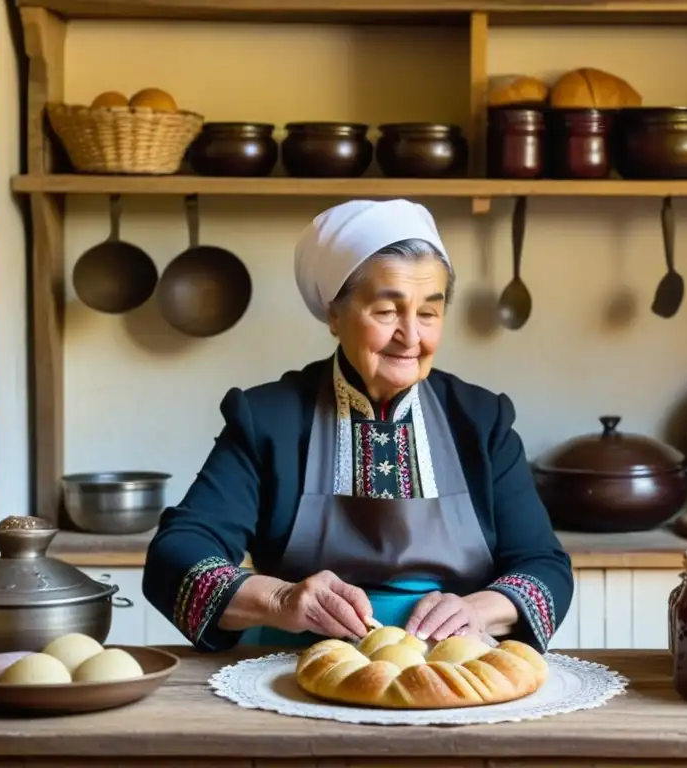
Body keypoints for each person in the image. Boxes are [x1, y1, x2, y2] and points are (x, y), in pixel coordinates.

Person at [142, 198, 574, 653]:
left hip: (452, 669)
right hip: (293, 668)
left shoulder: (482, 421)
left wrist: (479, 610)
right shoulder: (269, 419)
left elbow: (542, 564)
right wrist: (280, 598)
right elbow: (178, 553)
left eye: (429, 313)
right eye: (387, 312)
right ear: (334, 314)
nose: (411, 336)